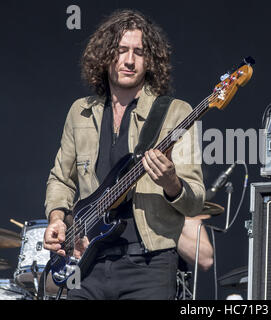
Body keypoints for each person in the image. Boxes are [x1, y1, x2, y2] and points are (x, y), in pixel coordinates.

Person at [43, 9, 205, 300]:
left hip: (149, 266)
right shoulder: (80, 111)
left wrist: (171, 182)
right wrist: (56, 218)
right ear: (105, 55)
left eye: (139, 53)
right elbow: (61, 180)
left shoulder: (174, 113)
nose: (129, 60)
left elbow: (194, 201)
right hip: (88, 263)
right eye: (121, 51)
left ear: (150, 61)